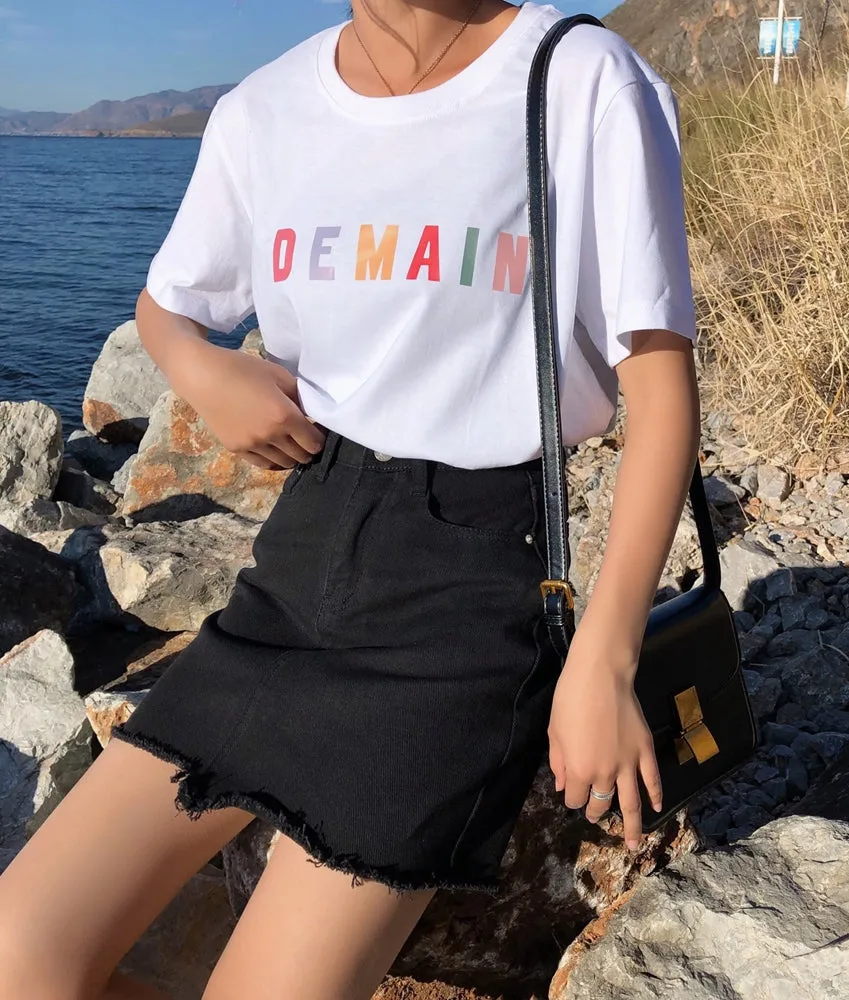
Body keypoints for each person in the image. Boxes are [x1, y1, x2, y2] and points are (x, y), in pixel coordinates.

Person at [0, 0, 700, 997]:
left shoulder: (579, 78)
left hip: (465, 601)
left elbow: (662, 393)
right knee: (18, 949)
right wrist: (203, 371)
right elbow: (164, 308)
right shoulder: (267, 109)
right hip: (290, 577)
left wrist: (604, 656)